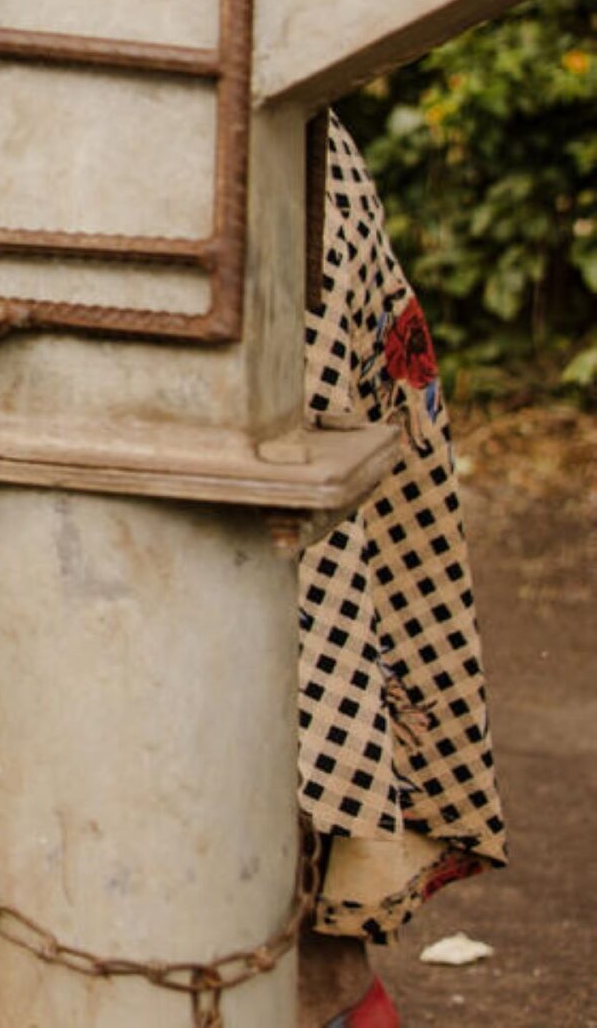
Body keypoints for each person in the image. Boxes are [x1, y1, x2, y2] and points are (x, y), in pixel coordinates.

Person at [296, 115, 505, 1028]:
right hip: (257, 178)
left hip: (262, 198)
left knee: (294, 625)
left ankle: (320, 986)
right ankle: (328, 987)